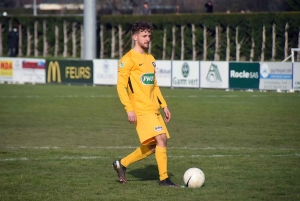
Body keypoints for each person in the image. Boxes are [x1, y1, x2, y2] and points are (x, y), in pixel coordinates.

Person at [112, 21, 177, 187]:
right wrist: (129, 109)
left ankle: (122, 163)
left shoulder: (150, 59)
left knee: (154, 146)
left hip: (153, 108)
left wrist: (164, 105)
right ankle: (164, 179)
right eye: (144, 36)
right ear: (135, 37)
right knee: (161, 138)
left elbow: (154, 85)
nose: (148, 39)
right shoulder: (127, 60)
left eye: (149, 35)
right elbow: (121, 86)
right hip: (140, 109)